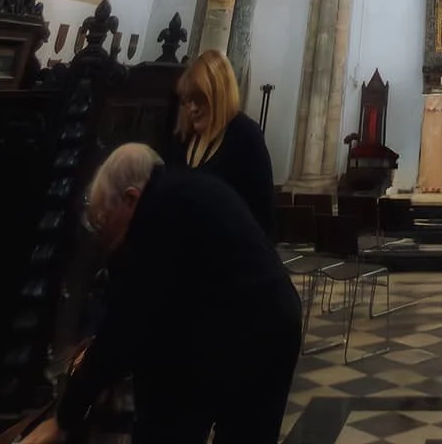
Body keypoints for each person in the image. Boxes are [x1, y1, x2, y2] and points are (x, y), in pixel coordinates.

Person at [23, 143, 301, 444]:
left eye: (104, 221)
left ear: (130, 198)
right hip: (264, 325)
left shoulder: (157, 213)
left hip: (257, 336)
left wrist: (64, 418)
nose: (104, 237)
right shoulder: (181, 193)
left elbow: (126, 326)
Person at [171, 46, 276, 240]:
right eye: (188, 100)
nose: (192, 108)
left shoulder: (245, 136)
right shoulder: (183, 138)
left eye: (200, 98)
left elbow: (262, 218)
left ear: (219, 95)